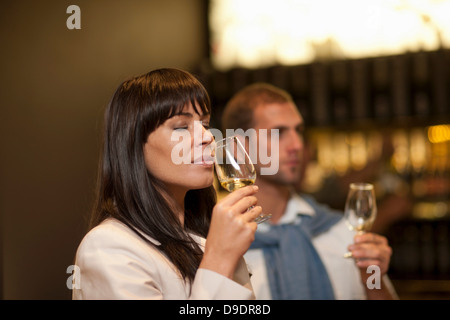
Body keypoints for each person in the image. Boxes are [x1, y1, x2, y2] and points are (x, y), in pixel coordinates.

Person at [72, 68, 262, 299]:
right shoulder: (108, 247)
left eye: (204, 123)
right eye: (181, 127)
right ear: (134, 144)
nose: (208, 137)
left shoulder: (198, 239)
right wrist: (219, 258)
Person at [221, 82, 398, 300]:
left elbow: (377, 291)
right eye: (278, 133)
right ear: (241, 148)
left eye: (299, 131)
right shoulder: (218, 247)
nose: (296, 144)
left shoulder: (341, 231)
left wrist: (374, 277)